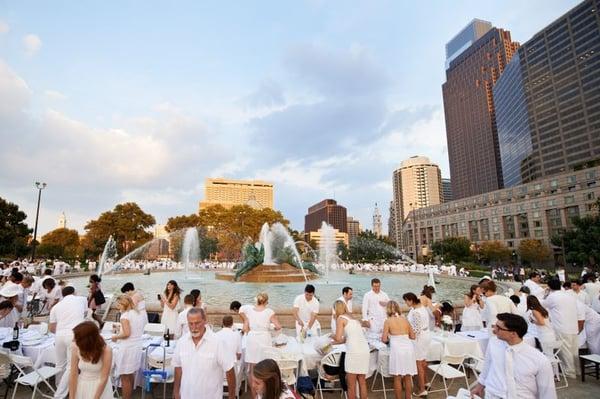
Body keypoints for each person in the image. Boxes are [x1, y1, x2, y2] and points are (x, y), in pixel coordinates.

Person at [471, 313, 556, 399]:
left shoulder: (539, 360)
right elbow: (487, 366)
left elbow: (547, 392)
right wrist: (480, 386)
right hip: (493, 394)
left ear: (513, 334)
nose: (494, 330)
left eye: (498, 328)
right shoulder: (493, 343)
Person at [172, 308, 236, 399]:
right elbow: (178, 368)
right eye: (190, 324)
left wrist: (232, 396)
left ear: (205, 321)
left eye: (197, 323)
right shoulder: (181, 342)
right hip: (186, 395)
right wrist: (176, 392)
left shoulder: (218, 342)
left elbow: (229, 370)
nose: (194, 328)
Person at [49, 286, 87, 399]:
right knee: (72, 366)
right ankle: (59, 395)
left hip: (59, 335)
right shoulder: (81, 299)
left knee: (60, 364)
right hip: (74, 335)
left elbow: (51, 328)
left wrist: (62, 331)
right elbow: (84, 315)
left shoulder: (56, 307)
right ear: (74, 292)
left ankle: (59, 386)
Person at [331, 299, 369, 399]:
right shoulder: (353, 318)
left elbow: (339, 338)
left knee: (351, 385)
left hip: (354, 352)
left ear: (336, 309)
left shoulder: (340, 318)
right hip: (364, 349)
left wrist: (332, 336)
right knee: (362, 382)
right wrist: (336, 341)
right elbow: (347, 338)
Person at [542, 278, 579, 378]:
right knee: (574, 350)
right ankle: (577, 370)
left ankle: (570, 372)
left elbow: (542, 305)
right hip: (573, 326)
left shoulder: (552, 296)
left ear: (549, 287)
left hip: (562, 327)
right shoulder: (569, 295)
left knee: (565, 350)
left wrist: (546, 294)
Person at [245, 292, 282, 389]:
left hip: (252, 338)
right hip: (264, 338)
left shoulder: (249, 311)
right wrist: (271, 328)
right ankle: (264, 392)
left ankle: (254, 395)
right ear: (266, 302)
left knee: (253, 368)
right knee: (264, 366)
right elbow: (278, 326)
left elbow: (246, 327)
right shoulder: (269, 312)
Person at [68, 321, 113, 399]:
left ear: (87, 339)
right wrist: (71, 397)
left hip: (100, 387)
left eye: (77, 338)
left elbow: (104, 378)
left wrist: (96, 398)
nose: (73, 340)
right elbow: (73, 374)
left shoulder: (106, 350)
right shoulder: (76, 347)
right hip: (82, 385)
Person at [112, 295, 145, 399]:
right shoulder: (138, 313)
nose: (117, 307)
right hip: (137, 346)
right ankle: (128, 396)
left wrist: (115, 337)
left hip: (127, 348)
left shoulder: (125, 316)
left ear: (123, 304)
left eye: (118, 304)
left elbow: (127, 333)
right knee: (130, 374)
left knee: (124, 376)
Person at [381, 301, 416, 399]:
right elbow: (413, 336)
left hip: (397, 350)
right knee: (408, 376)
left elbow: (384, 339)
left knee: (397, 377)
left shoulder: (388, 321)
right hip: (409, 349)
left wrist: (390, 338)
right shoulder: (405, 319)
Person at [402, 292, 430, 397]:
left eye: (406, 300)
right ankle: (426, 382)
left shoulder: (416, 312)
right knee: (423, 361)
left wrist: (406, 335)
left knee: (419, 364)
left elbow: (416, 330)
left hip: (419, 339)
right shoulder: (421, 307)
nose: (405, 303)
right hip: (426, 335)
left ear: (410, 300)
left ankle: (422, 389)